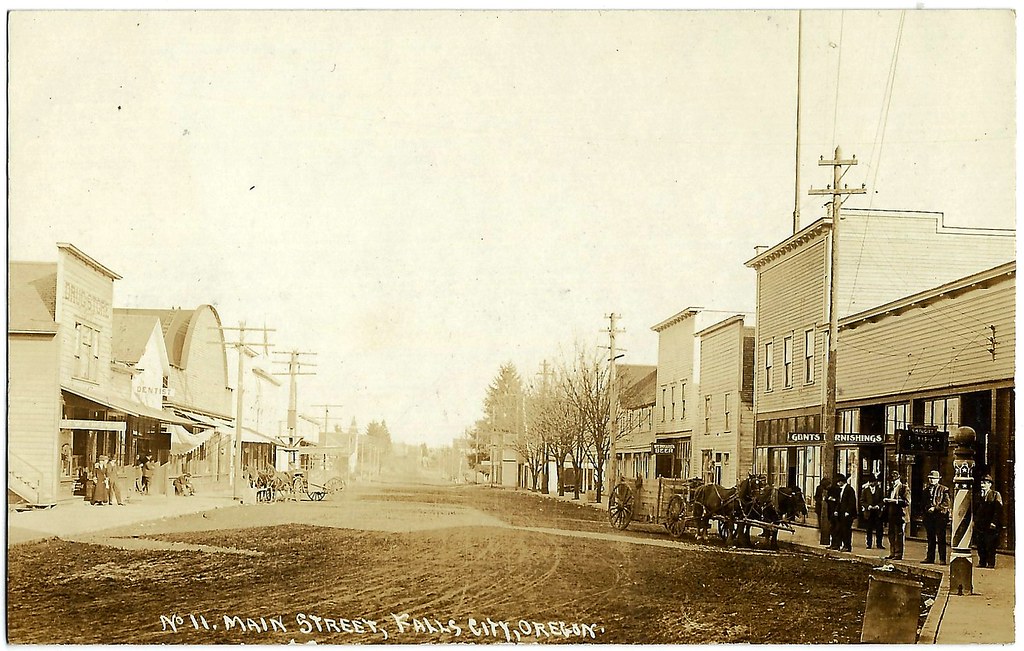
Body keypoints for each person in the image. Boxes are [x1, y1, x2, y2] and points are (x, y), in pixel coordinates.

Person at [922, 469, 952, 564]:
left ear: (938, 479)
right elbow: (923, 503)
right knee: (930, 538)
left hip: (940, 517)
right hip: (929, 517)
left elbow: (946, 503)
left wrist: (935, 508)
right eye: (930, 478)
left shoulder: (944, 489)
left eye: (934, 478)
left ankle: (942, 559)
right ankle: (930, 558)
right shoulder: (926, 490)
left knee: (941, 538)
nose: (932, 480)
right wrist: (927, 509)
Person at [974, 474, 1003, 568]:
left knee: (990, 544)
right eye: (982, 483)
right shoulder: (978, 495)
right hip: (980, 524)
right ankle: (982, 561)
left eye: (986, 483)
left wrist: (994, 522)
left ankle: (990, 563)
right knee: (980, 544)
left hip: (990, 524)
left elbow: (998, 510)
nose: (983, 485)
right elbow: (974, 509)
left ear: (990, 485)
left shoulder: (995, 494)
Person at [883, 469, 910, 560]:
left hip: (900, 515)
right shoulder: (891, 488)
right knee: (891, 534)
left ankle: (898, 554)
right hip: (891, 514)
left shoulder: (904, 487)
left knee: (899, 534)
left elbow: (907, 502)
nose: (893, 481)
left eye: (895, 480)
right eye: (892, 480)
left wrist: (895, 501)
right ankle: (892, 552)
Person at [830, 474, 857, 552]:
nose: (838, 484)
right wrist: (836, 510)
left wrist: (848, 511)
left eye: (838, 482)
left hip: (847, 514)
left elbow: (852, 502)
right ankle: (840, 545)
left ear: (842, 482)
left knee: (846, 530)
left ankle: (847, 546)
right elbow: (840, 501)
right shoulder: (841, 490)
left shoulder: (849, 489)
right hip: (841, 513)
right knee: (841, 529)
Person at [860, 473, 885, 550]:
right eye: (871, 482)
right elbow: (862, 501)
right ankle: (869, 544)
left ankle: (879, 544)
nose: (872, 483)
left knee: (879, 529)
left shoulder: (880, 490)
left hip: (877, 512)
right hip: (869, 512)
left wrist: (878, 506)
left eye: (874, 482)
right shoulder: (865, 491)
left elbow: (882, 500)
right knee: (869, 529)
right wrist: (868, 506)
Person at [814, 476, 833, 546]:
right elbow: (816, 497)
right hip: (820, 507)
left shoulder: (829, 489)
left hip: (827, 507)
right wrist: (821, 501)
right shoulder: (819, 488)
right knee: (821, 520)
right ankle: (823, 531)